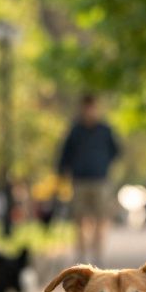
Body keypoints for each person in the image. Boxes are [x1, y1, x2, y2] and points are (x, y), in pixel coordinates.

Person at [57, 94, 120, 266]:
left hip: (100, 181)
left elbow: (116, 151)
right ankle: (82, 258)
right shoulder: (75, 130)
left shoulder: (105, 130)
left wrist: (103, 164)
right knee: (80, 220)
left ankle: (98, 257)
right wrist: (62, 171)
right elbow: (65, 154)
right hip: (80, 181)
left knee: (101, 220)